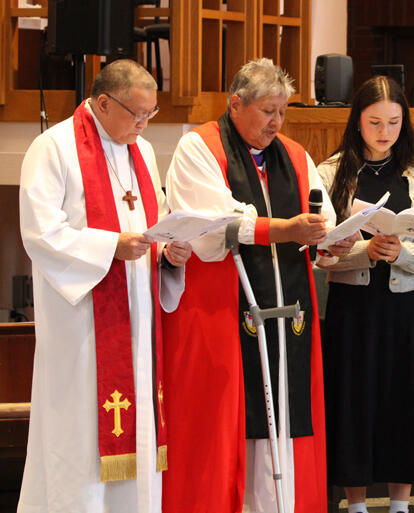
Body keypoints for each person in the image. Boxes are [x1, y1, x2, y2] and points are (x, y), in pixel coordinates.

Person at [17, 59, 192, 513]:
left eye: (151, 113)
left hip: (139, 325)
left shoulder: (144, 153)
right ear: (102, 102)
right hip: (83, 331)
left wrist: (167, 257)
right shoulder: (52, 147)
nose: (144, 123)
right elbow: (40, 233)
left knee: (139, 442)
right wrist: (110, 246)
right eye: (137, 113)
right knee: (79, 441)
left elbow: (152, 227)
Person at [161, 58, 333, 513]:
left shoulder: (295, 155)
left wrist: (332, 235)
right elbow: (213, 224)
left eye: (282, 111)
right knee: (226, 423)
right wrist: (285, 229)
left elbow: (324, 217)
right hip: (223, 312)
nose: (276, 122)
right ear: (235, 104)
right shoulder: (198, 148)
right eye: (266, 111)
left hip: (286, 315)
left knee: (288, 416)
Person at [316, 75, 414, 513]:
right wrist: (364, 250)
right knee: (353, 396)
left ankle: (399, 505)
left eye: (393, 122)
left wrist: (399, 253)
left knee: (404, 399)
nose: (384, 132)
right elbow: (320, 252)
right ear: (357, 120)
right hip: (353, 307)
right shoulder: (331, 172)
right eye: (374, 121)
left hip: (404, 306)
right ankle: (355, 504)